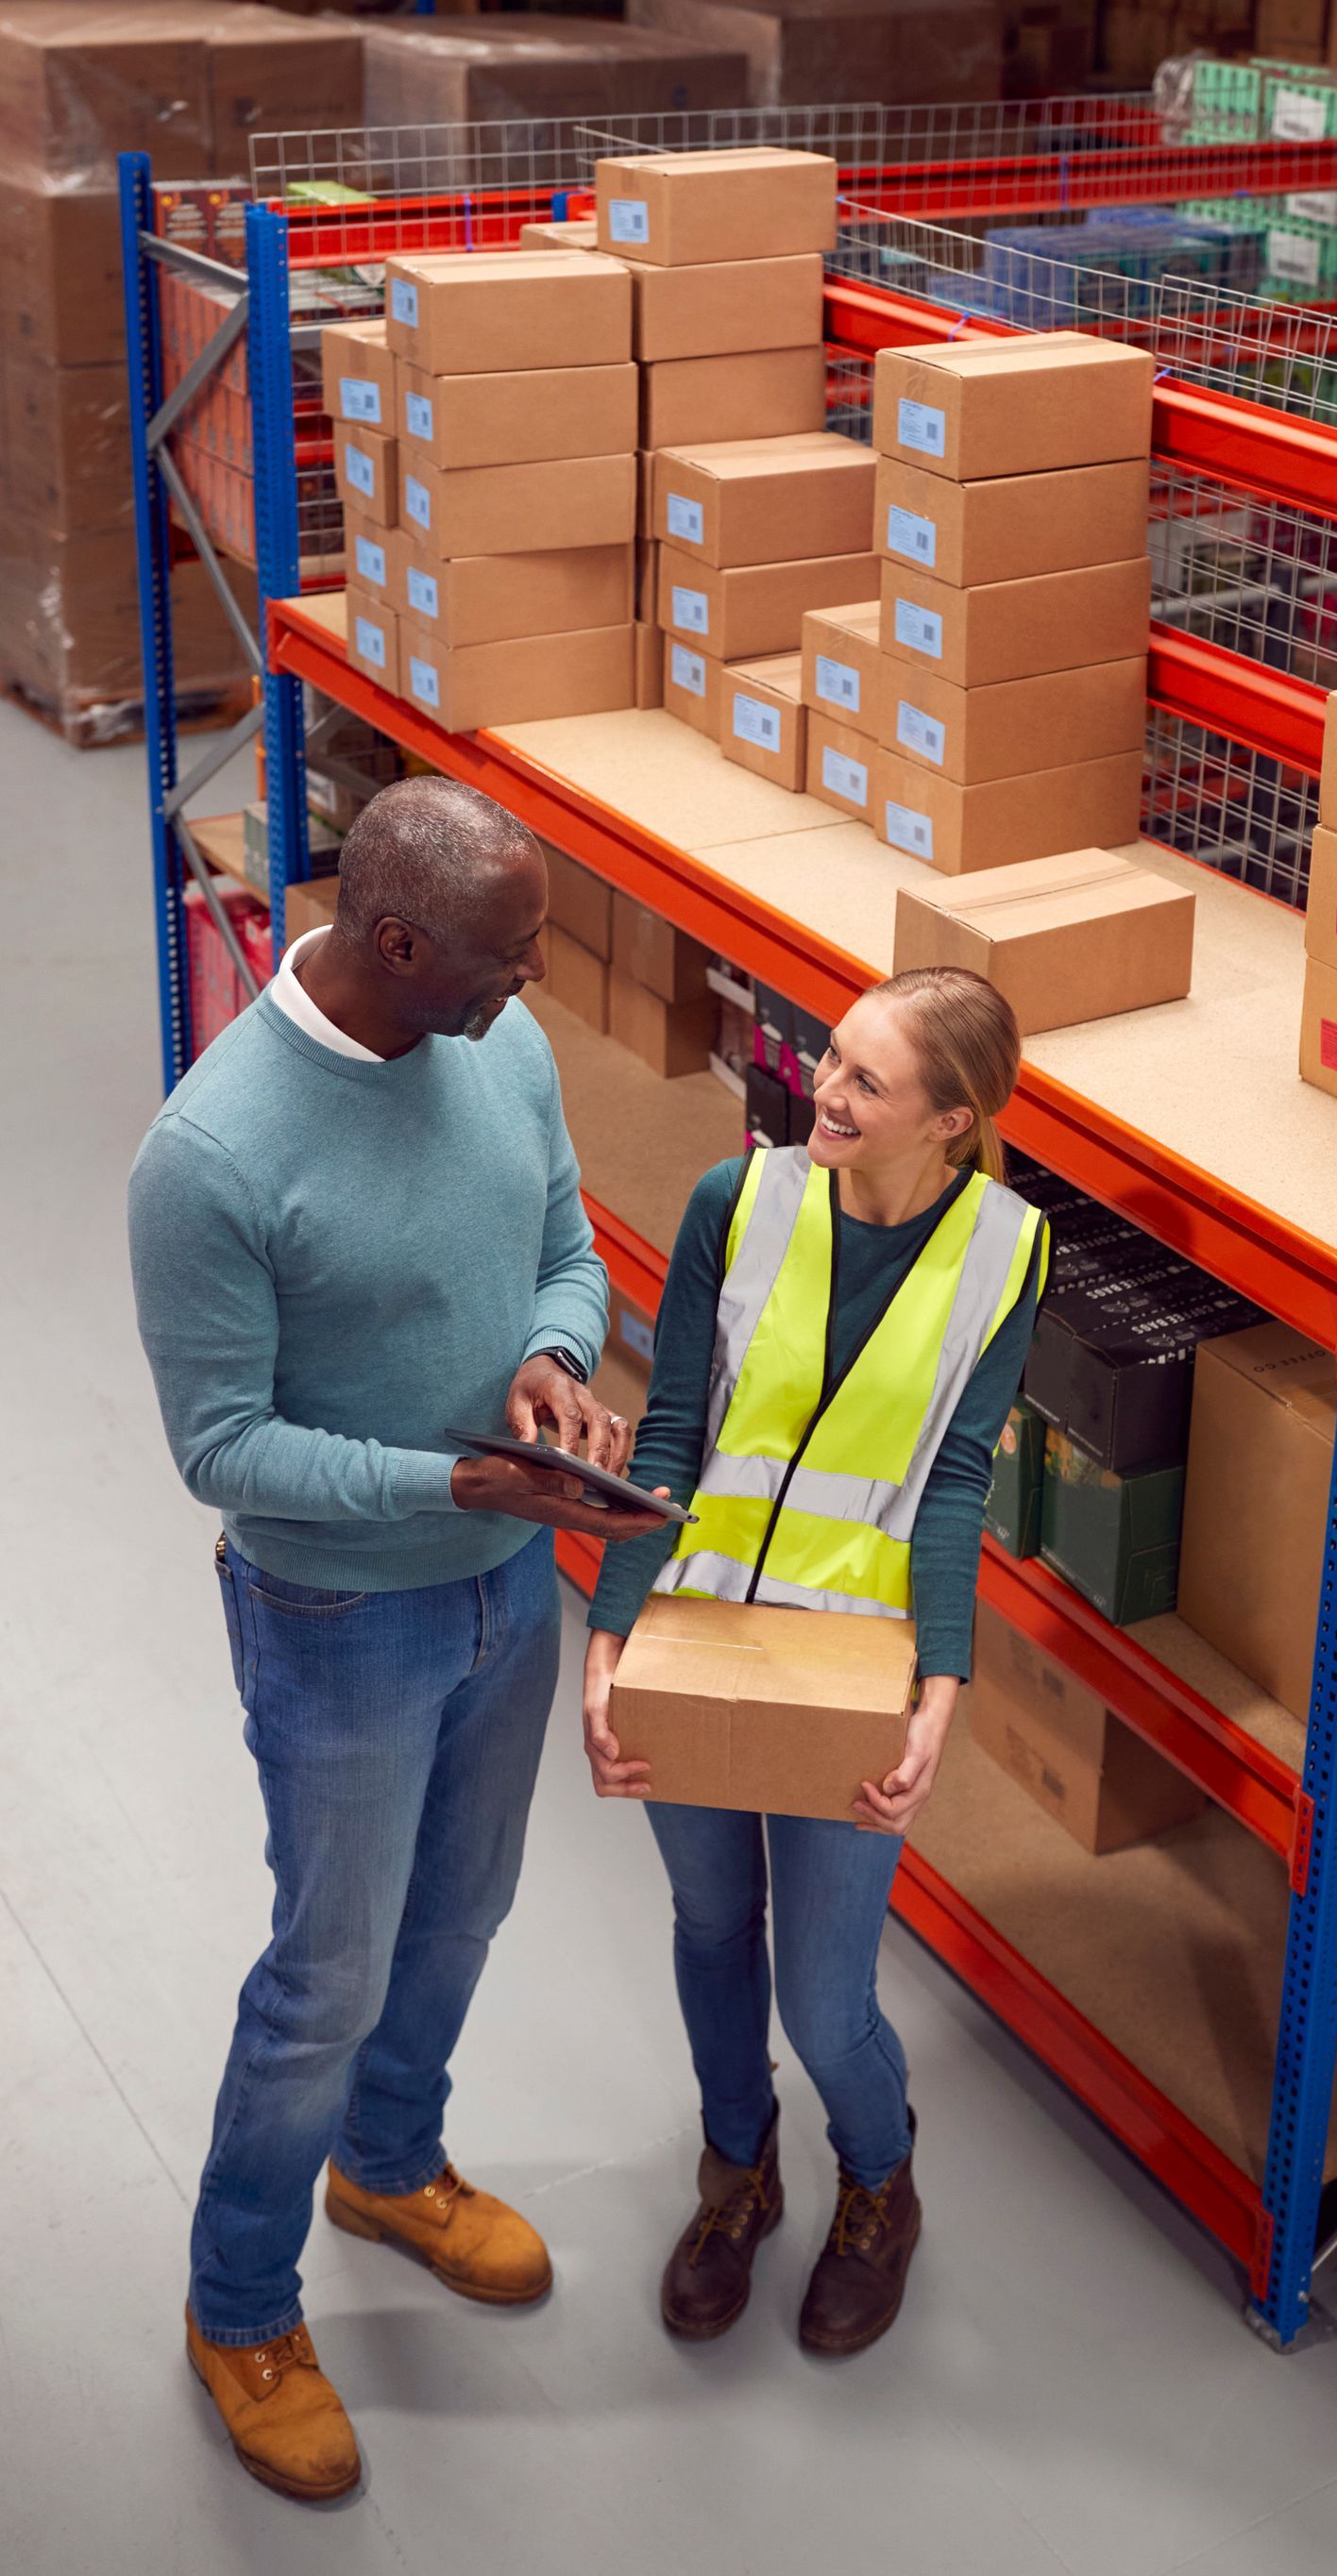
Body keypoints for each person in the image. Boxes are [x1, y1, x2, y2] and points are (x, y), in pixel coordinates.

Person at [128, 779, 662, 2504]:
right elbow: (224, 1446)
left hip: (510, 1576)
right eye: (506, 963)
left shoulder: (496, 1047)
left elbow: (566, 1246)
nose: (531, 990)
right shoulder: (211, 1157)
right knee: (324, 1977)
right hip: (340, 1613)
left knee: (464, 1905)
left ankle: (393, 2158)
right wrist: (442, 1477)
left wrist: (556, 1368)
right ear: (401, 941)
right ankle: (238, 2307)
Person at [582, 966, 1047, 2358]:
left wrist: (940, 1694)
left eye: (864, 1082)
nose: (821, 1095)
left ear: (951, 1120)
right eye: (826, 1060)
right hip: (697, 1630)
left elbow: (957, 1482)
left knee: (825, 1995)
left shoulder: (1005, 1251)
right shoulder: (745, 1201)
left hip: (852, 1667)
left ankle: (878, 2181)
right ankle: (739, 2170)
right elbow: (665, 1429)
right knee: (710, 1929)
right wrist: (608, 1643)